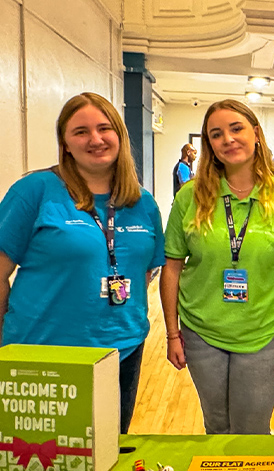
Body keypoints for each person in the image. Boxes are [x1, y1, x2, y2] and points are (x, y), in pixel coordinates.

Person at [0, 92, 165, 433]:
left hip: (122, 349)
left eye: (105, 128)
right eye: (81, 131)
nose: (95, 139)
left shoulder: (142, 202)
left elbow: (145, 270)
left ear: (119, 135)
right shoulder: (35, 190)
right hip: (44, 353)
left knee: (109, 456)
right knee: (40, 464)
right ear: (65, 142)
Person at [161, 99, 274, 434]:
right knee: (216, 426)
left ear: (256, 134)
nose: (227, 139)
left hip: (264, 333)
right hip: (202, 332)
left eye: (236, 129)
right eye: (216, 134)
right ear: (209, 145)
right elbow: (171, 267)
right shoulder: (190, 198)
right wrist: (172, 333)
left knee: (252, 429)